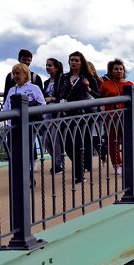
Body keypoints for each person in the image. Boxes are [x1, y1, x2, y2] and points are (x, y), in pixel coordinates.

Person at [55, 51, 101, 183]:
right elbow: (59, 96)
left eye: (76, 60)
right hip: (66, 114)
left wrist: (88, 89)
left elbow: (98, 97)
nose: (73, 62)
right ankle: (80, 168)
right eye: (72, 60)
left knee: (80, 144)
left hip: (82, 116)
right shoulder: (64, 78)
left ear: (82, 63)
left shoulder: (88, 78)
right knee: (67, 144)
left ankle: (79, 174)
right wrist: (55, 114)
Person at [98, 58, 134, 174]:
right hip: (111, 117)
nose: (119, 71)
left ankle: (128, 163)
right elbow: (100, 99)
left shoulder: (130, 84)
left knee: (128, 140)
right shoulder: (106, 85)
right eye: (116, 69)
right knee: (113, 141)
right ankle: (117, 164)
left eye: (121, 69)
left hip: (126, 116)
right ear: (111, 71)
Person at [41, 58, 66, 172]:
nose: (47, 67)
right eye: (46, 65)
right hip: (46, 112)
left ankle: (58, 164)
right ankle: (56, 159)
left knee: (55, 137)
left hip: (57, 112)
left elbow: (62, 97)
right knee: (45, 138)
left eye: (50, 65)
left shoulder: (61, 80)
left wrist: (51, 99)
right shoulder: (46, 82)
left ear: (56, 68)